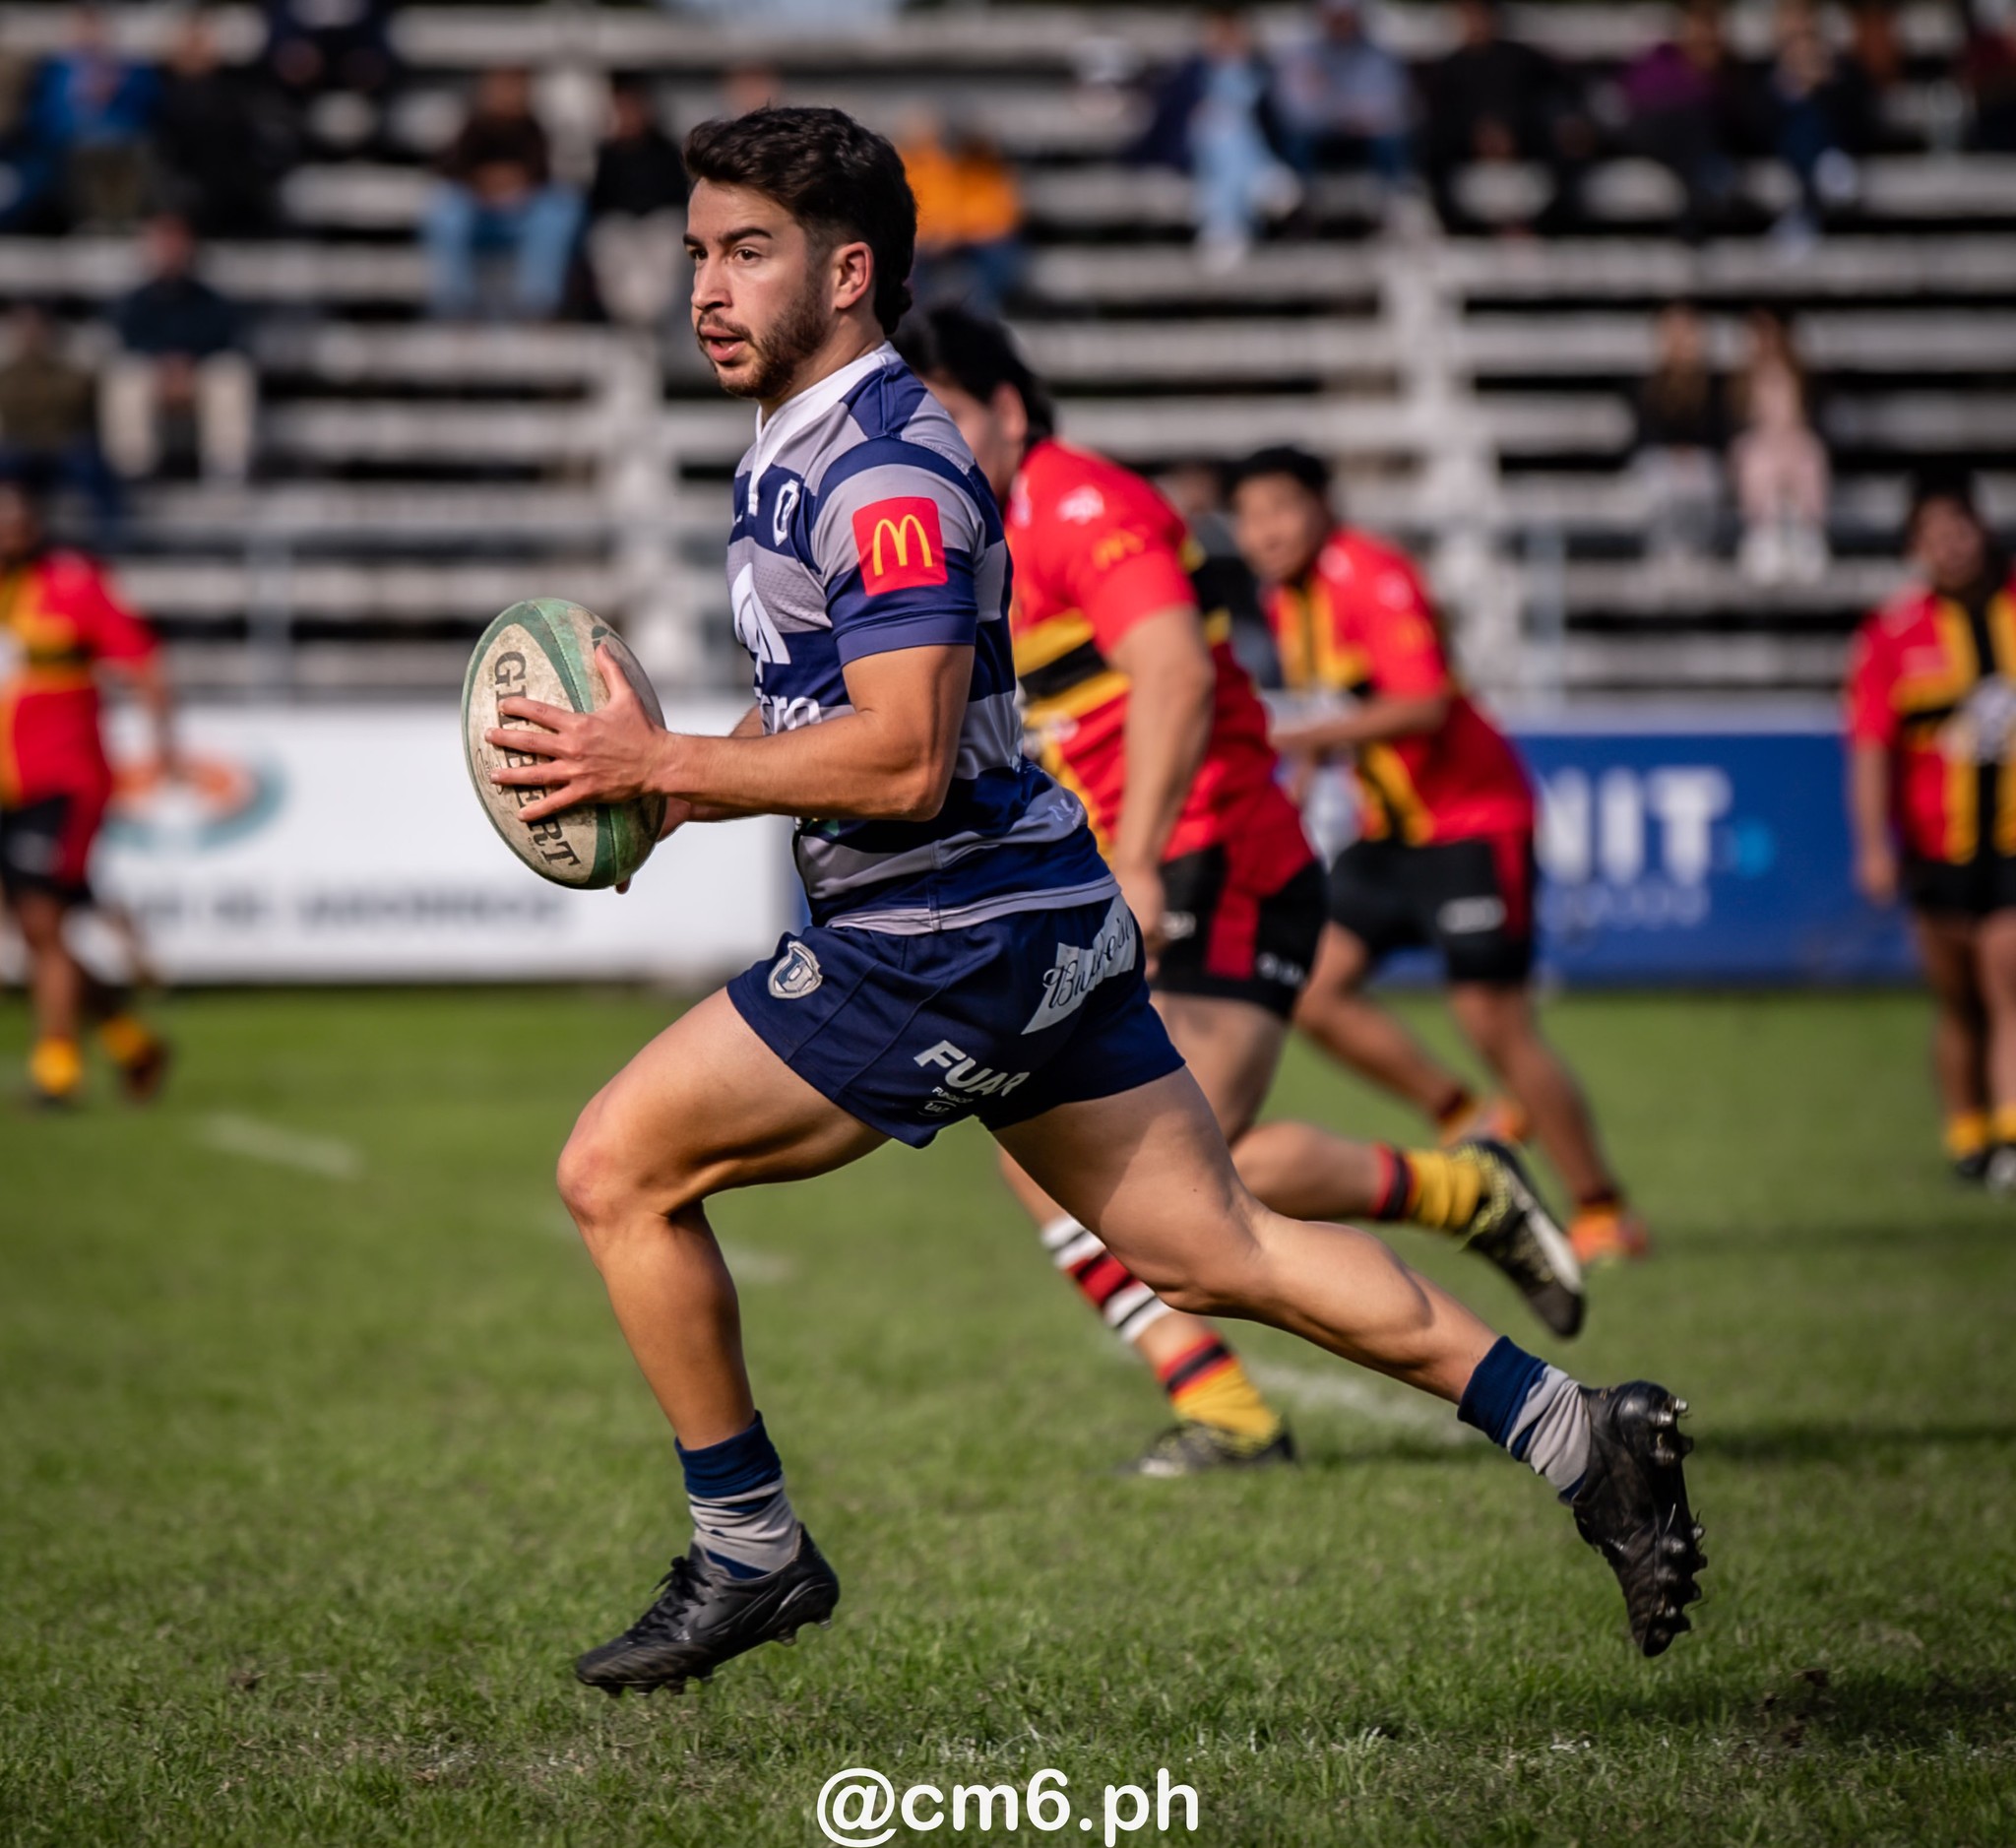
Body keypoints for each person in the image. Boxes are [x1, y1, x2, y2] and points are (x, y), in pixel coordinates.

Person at [481, 104, 1703, 1695]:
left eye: (747, 252)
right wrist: (674, 784)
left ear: (847, 274)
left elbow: (905, 757)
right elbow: (846, 717)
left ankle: (749, 1547)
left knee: (614, 1169)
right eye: (698, 251)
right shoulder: (801, 445)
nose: (705, 286)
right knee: (1217, 1246)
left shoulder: (882, 469)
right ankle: (1584, 1436)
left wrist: (663, 760)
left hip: (944, 932)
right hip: (1025, 910)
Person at [898, 304, 1583, 1476]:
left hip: (1215, 863)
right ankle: (1434, 1208)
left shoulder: (1079, 502)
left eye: (946, 416)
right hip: (1117, 876)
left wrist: (1138, 855)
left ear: (1007, 410)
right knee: (1092, 1157)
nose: (927, 447)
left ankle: (1267, 1399)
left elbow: (1171, 672)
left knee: (1150, 1171)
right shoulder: (957, 535)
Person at [1226, 446, 1648, 1269]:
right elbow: (1345, 702)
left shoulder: (1372, 574)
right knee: (1311, 989)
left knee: (1494, 1020)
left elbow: (1422, 704)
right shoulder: (1287, 599)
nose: (1263, 530)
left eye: (1279, 508)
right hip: (1389, 832)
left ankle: (1602, 1209)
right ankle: (1464, 1114)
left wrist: (1303, 738)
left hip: (1471, 823)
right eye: (1247, 516)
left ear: (1322, 506)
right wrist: (1305, 774)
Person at [1846, 470, 2016, 1188]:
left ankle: (2010, 1130)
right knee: (1958, 1000)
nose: (1951, 545)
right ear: (1917, 546)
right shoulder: (1893, 634)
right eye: (1934, 534)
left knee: (2007, 975)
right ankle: (1968, 1132)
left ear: (1981, 529)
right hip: (1936, 844)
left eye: (1959, 528)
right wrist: (1873, 845)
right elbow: (1870, 746)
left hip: (2010, 840)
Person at [0, 481, 172, 1106]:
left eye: (15, 521)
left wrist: (165, 744)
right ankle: (131, 1041)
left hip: (63, 782)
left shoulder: (73, 585)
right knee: (35, 932)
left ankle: (58, 1072)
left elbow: (143, 660)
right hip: (7, 786)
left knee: (42, 921)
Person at [1134, 7, 1300, 270]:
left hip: (1226, 159)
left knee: (1227, 131)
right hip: (1193, 153)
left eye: (1232, 36)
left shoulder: (1261, 75)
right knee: (1217, 127)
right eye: (1220, 37)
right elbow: (1167, 120)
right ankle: (1262, 178)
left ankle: (1223, 228)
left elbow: (1278, 124)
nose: (1226, 44)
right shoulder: (1189, 75)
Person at [102, 215, 256, 484]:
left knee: (230, 374)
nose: (170, 252)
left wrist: (189, 364)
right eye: (163, 244)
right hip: (155, 375)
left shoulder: (210, 301)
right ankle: (132, 470)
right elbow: (129, 340)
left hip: (197, 374)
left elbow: (225, 338)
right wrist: (164, 364)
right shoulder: (135, 302)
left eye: (176, 243)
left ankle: (227, 469)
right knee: (126, 375)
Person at [1418, 0, 1594, 236]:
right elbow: (1442, 113)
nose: (1474, 24)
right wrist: (1478, 134)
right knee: (1431, 152)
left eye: (1479, 16)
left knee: (1567, 147)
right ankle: (1459, 229)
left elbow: (1562, 88)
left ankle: (1545, 228)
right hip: (1468, 141)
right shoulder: (1452, 66)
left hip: (1522, 135)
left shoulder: (1519, 58)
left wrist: (1568, 121)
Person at [423, 68, 584, 323]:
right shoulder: (473, 128)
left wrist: (513, 186)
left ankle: (536, 305)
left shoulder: (533, 130)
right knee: (447, 209)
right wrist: (486, 183)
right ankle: (458, 306)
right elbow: (451, 171)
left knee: (560, 208)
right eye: (501, 88)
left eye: (514, 88)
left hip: (521, 219)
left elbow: (542, 176)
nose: (508, 95)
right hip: (480, 219)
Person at [151, 9, 287, 240]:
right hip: (184, 202)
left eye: (201, 42)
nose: (194, 50)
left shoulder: (239, 92)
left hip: (236, 199)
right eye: (189, 43)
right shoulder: (158, 94)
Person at [0, 304, 119, 541]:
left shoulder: (72, 372)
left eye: (37, 329)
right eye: (26, 329)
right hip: (23, 448)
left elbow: (78, 403)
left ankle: (113, 535)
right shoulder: (8, 375)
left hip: (64, 448)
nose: (32, 335)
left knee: (95, 468)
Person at [30, 6, 156, 229]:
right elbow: (45, 115)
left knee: (136, 153)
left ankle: (123, 222)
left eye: (94, 27)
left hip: (120, 136)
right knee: (81, 154)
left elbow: (146, 108)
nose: (89, 35)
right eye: (83, 28)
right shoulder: (57, 70)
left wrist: (116, 89)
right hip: (72, 138)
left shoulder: (128, 68)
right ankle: (91, 223)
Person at [1274, 0, 1414, 201]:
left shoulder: (1379, 57)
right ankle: (1301, 203)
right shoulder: (1302, 56)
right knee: (1297, 140)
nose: (1341, 23)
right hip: (1319, 135)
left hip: (1367, 136)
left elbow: (1392, 107)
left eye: (1346, 16)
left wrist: (1336, 107)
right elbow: (1294, 112)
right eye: (1335, 17)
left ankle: (1395, 199)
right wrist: (1344, 115)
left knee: (1391, 138)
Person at [1731, 308, 1830, 585]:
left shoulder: (1798, 376)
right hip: (1761, 446)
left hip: (1794, 443)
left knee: (1809, 457)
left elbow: (1800, 416)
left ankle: (1806, 532)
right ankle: (1764, 533)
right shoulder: (1743, 381)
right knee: (1756, 462)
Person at [585, 76, 688, 330]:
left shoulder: (667, 150)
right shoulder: (604, 154)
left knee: (668, 241)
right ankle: (626, 323)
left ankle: (657, 324)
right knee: (608, 242)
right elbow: (594, 204)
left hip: (659, 229)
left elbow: (679, 200)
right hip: (619, 230)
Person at [897, 111, 1026, 315]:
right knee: (902, 256)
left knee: (1000, 256)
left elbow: (1000, 215)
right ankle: (911, 316)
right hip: (926, 239)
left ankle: (981, 319)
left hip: (973, 241)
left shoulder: (983, 162)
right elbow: (903, 207)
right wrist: (930, 233)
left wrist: (956, 232)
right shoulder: (915, 160)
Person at [1633, 301, 1727, 565]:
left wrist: (1690, 453)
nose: (1681, 341)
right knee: (1659, 480)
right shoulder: (1649, 386)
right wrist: (1673, 454)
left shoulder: (1714, 386)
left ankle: (1699, 549)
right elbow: (1644, 436)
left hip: (1701, 462)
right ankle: (1663, 550)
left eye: (1687, 332)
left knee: (1704, 478)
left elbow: (1719, 435)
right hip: (1662, 462)